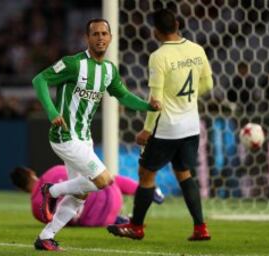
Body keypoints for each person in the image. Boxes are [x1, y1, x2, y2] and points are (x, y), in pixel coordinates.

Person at [31, 18, 161, 251]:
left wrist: (147, 106)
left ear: (110, 38)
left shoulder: (109, 70)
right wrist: (51, 111)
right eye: (95, 34)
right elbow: (39, 79)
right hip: (65, 135)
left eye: (104, 33)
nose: (100, 38)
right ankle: (50, 190)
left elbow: (123, 95)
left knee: (80, 194)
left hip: (84, 138)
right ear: (87, 38)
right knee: (104, 181)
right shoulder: (73, 63)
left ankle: (45, 237)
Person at [107, 9, 213, 241]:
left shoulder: (159, 56)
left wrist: (147, 129)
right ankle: (200, 228)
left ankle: (136, 226)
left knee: (146, 174)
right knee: (184, 174)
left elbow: (155, 100)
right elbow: (208, 84)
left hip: (167, 127)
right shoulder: (197, 50)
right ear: (177, 23)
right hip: (191, 126)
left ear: (155, 31)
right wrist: (189, 99)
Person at [10, 165, 165, 226]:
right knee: (106, 178)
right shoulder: (55, 170)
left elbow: (64, 223)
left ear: (21, 189)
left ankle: (116, 220)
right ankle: (147, 191)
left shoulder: (36, 210)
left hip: (98, 221)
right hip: (113, 196)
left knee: (77, 213)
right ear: (31, 172)